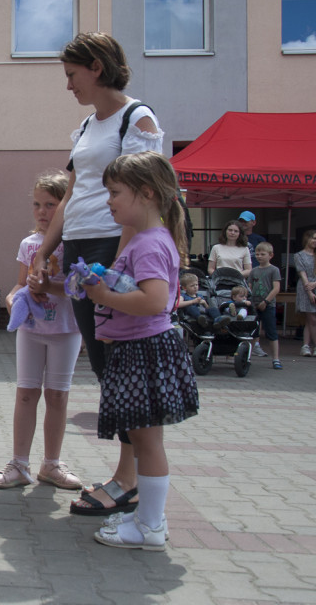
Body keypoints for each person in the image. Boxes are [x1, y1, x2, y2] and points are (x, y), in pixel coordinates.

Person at [30, 32, 164, 517]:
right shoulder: (87, 125)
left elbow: (145, 194)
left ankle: (128, 478)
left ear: (97, 67)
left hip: (113, 250)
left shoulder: (137, 118)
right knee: (107, 366)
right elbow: (71, 194)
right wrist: (45, 251)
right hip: (82, 249)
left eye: (72, 75)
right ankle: (125, 476)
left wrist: (120, 264)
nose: (68, 85)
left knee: (122, 365)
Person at [76, 152, 198, 550]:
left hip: (144, 351)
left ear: (145, 194)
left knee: (147, 443)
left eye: (114, 192)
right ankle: (149, 518)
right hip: (143, 351)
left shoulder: (148, 244)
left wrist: (104, 294)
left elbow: (154, 301)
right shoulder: (150, 240)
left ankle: (150, 527)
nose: (108, 200)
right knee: (146, 441)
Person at [0, 170, 82, 491]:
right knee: (26, 394)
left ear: (67, 206)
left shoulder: (76, 242)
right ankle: (19, 464)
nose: (42, 212)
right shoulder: (29, 244)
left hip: (67, 330)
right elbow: (18, 282)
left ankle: (51, 465)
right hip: (31, 330)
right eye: (37, 205)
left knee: (57, 396)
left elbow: (79, 288)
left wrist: (50, 286)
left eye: (51, 204)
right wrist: (13, 298)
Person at [293, 229, 316, 357]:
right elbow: (302, 273)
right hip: (305, 287)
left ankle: (306, 346)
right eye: (314, 238)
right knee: (312, 318)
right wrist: (309, 289)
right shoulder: (299, 255)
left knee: (310, 320)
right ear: (307, 238)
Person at [248, 242, 283, 370]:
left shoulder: (274, 270)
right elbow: (250, 287)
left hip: (268, 305)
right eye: (257, 254)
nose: (259, 256)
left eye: (263, 254)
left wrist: (266, 302)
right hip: (254, 305)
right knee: (252, 331)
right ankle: (248, 357)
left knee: (271, 332)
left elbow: (276, 288)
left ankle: (276, 359)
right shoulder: (254, 271)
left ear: (270, 255)